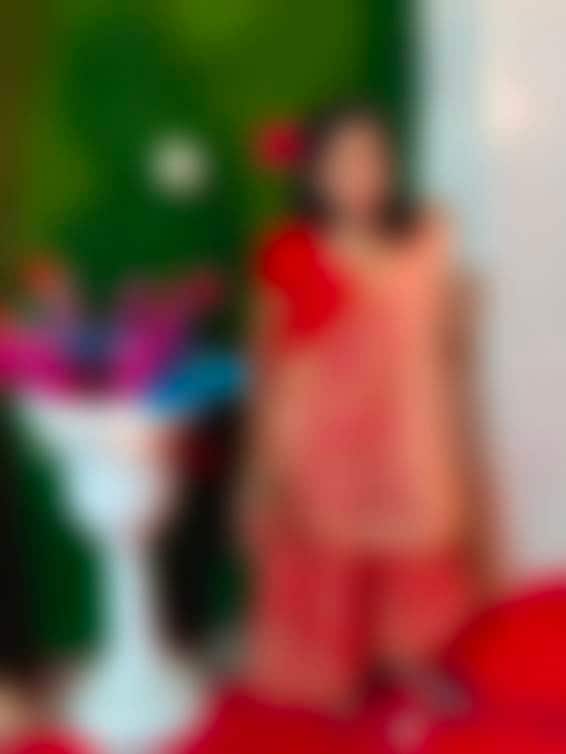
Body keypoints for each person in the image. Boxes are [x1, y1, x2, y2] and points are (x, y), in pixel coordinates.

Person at [241, 103, 488, 712]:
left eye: (374, 157)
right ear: (315, 174)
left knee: (417, 556)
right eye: (344, 161)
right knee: (328, 562)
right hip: (321, 437)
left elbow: (444, 337)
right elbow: (267, 357)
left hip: (405, 428)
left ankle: (412, 658)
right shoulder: (292, 251)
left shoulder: (425, 239)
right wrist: (263, 463)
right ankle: (332, 673)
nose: (362, 175)